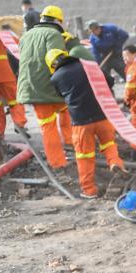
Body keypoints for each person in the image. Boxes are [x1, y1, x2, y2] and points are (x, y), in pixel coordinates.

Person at [46, 48, 126, 198]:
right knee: (108, 144)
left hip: (81, 122)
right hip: (102, 116)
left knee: (84, 156)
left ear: (52, 65)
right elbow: (109, 81)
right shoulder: (88, 65)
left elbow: (60, 95)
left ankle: (89, 191)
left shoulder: (56, 77)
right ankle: (115, 162)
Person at [16, 5, 71, 169]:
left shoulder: (26, 36)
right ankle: (61, 158)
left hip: (31, 88)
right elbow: (56, 61)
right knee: (58, 117)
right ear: (56, 21)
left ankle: (63, 151)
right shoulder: (53, 34)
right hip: (48, 87)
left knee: (56, 117)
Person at [0, 20, 27, 137]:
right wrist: (9, 32)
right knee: (15, 101)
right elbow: (18, 45)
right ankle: (19, 123)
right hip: (4, 76)